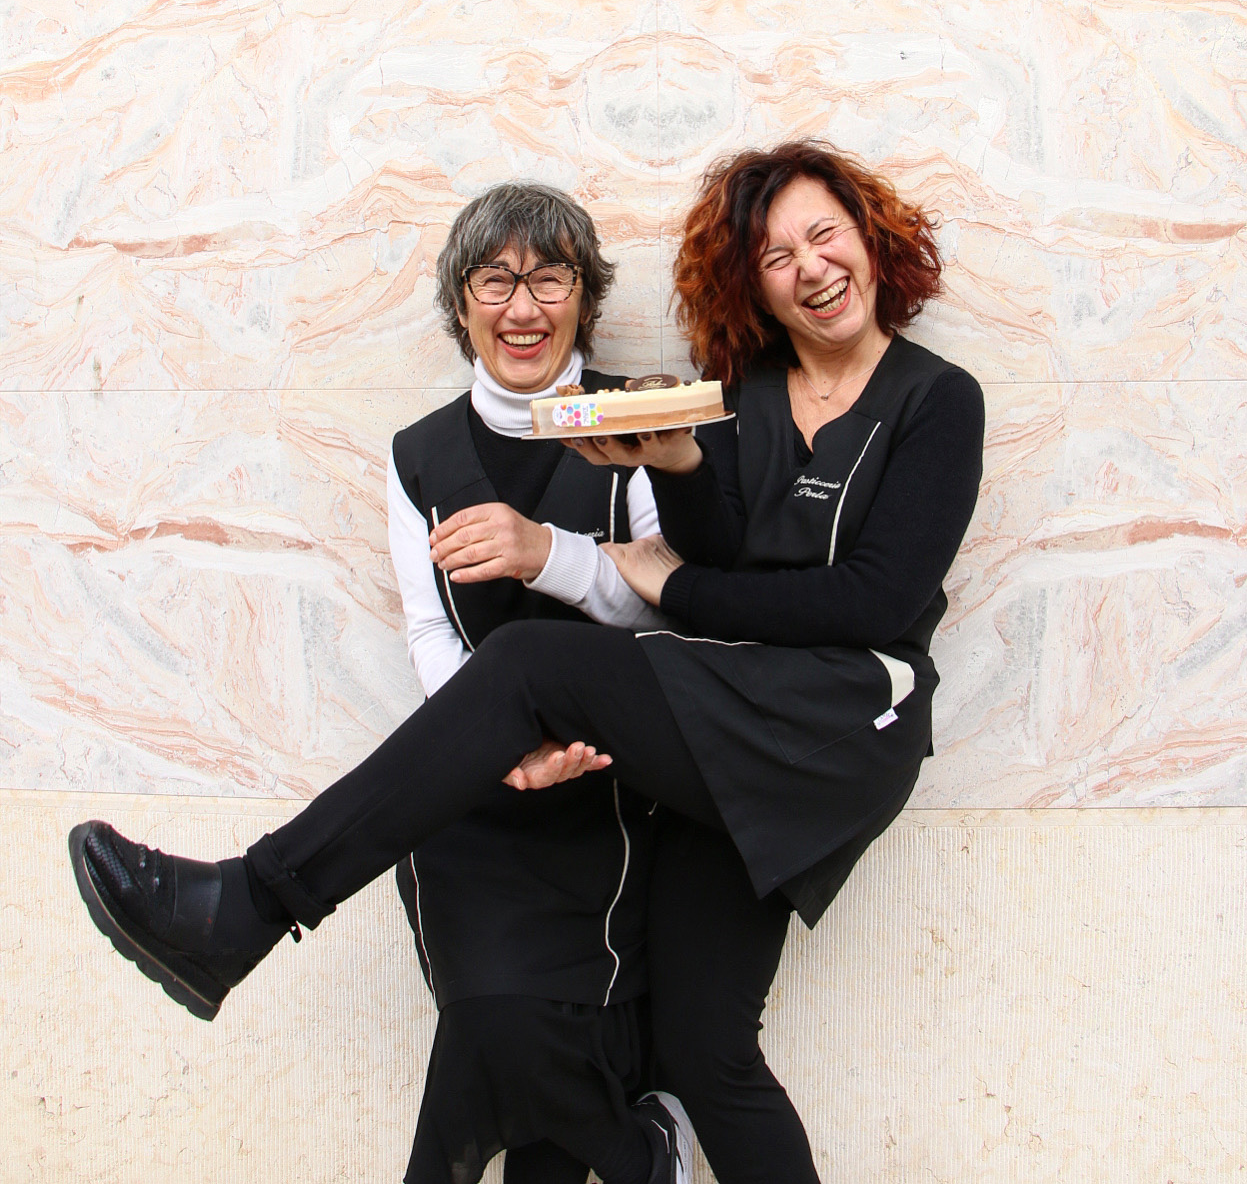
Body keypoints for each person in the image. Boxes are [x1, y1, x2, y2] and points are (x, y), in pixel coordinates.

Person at [69, 140, 985, 1182]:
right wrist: (678, 461)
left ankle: (247, 902)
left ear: (869, 240)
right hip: (725, 723)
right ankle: (249, 912)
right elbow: (717, 544)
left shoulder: (934, 398)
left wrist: (660, 582)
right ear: (752, 284)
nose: (809, 266)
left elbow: (865, 599)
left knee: (532, 662)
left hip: (837, 723)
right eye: (775, 255)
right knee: (704, 1050)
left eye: (824, 234)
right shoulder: (737, 392)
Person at [385, 181, 687, 1184]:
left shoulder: (635, 427)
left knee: (517, 1070)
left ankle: (630, 1153)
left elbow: (665, 610)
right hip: (467, 805)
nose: (522, 306)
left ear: (582, 298)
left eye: (548, 277)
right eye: (494, 279)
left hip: (598, 798)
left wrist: (546, 553)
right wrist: (494, 743)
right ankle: (638, 1150)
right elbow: (429, 625)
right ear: (460, 301)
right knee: (487, 1024)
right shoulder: (417, 453)